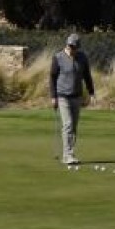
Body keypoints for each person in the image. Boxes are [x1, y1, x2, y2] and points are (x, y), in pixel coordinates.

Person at [49, 33, 95, 169]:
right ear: (66, 44)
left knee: (73, 127)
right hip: (62, 96)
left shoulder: (82, 58)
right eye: (70, 46)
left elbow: (87, 76)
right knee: (68, 124)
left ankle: (70, 153)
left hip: (77, 96)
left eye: (74, 47)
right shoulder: (58, 57)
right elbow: (52, 77)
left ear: (78, 47)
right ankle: (67, 155)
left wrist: (91, 92)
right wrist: (53, 97)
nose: (71, 49)